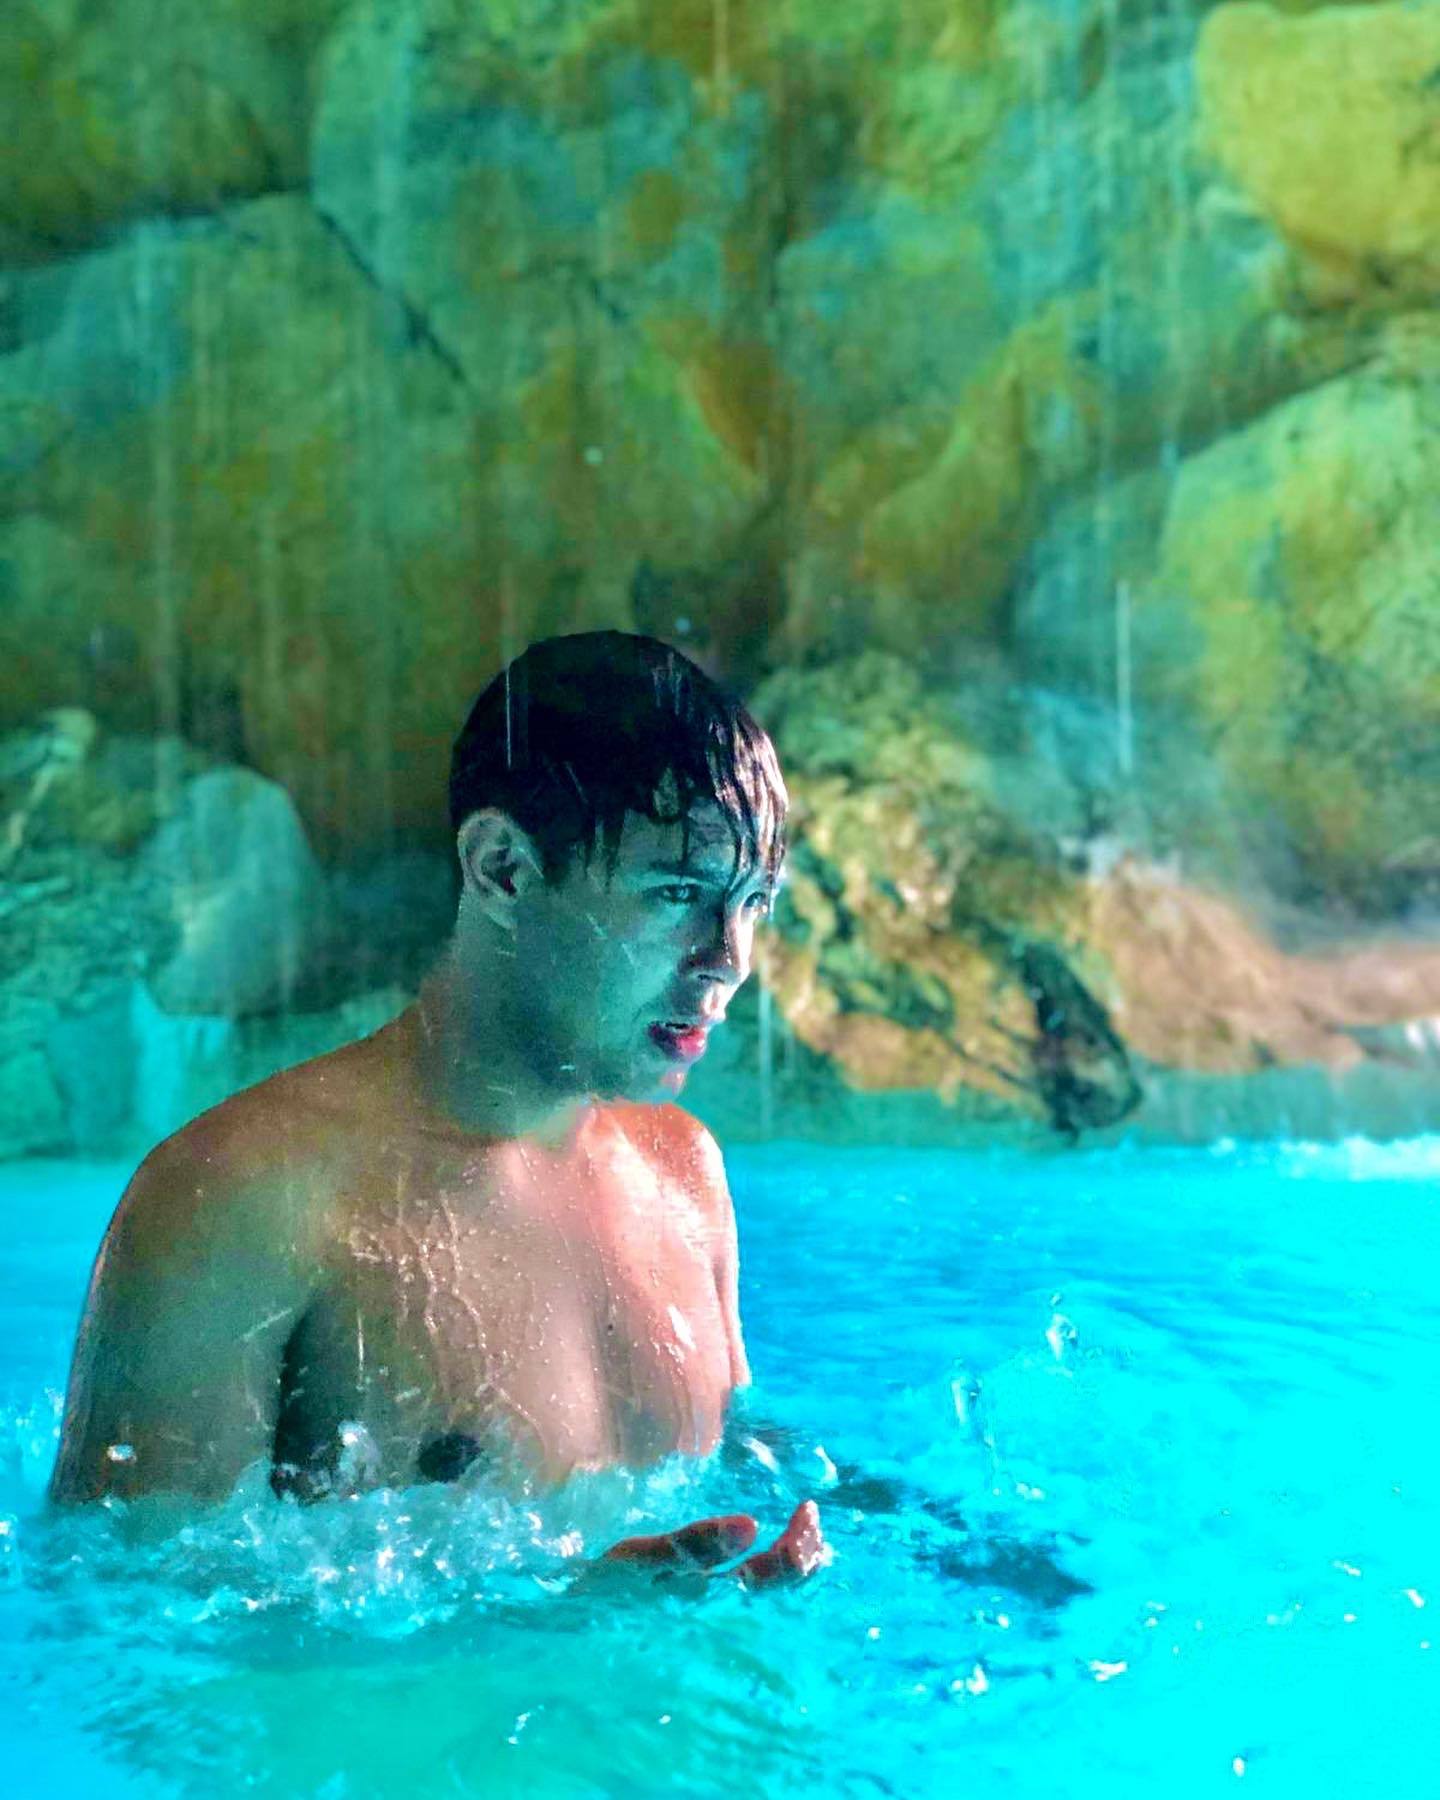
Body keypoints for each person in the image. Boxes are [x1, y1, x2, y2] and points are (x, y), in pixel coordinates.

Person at [49, 632, 827, 1587]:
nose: (729, 958)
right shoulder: (242, 1202)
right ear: (504, 869)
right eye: (678, 893)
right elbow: (117, 1618)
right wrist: (553, 1626)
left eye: (754, 903)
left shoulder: (683, 1175)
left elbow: (753, 1474)